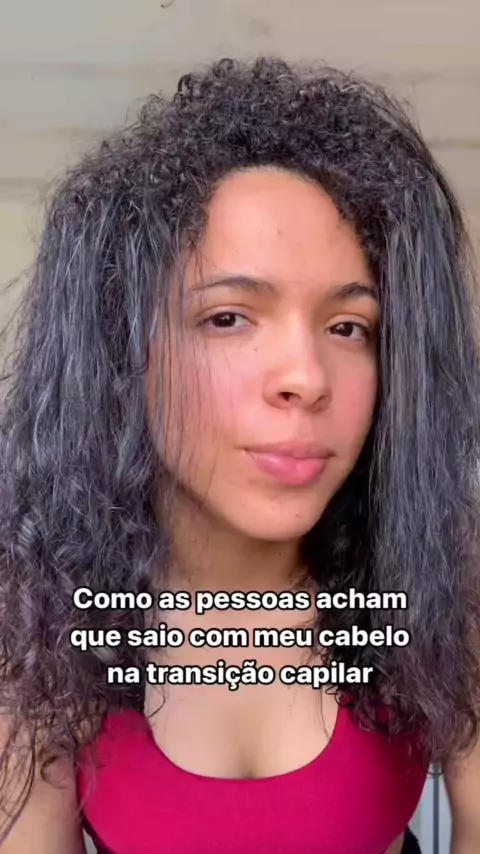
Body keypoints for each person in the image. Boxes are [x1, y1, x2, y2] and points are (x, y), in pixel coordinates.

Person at [0, 56, 480, 854]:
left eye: (349, 327)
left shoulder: (442, 592)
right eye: (228, 318)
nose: (306, 378)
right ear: (124, 351)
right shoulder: (41, 623)